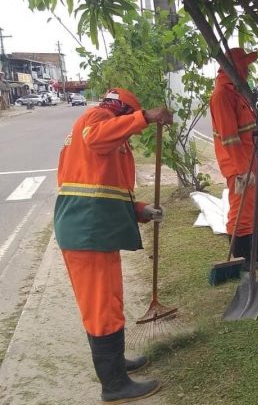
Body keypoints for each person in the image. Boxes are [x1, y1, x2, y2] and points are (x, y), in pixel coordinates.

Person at [54, 88, 173, 403]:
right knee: (101, 306)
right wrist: (145, 117)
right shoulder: (97, 118)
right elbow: (98, 137)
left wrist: (140, 211)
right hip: (88, 230)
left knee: (109, 300)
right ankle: (115, 385)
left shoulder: (101, 136)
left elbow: (106, 187)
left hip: (96, 230)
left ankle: (115, 364)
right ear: (121, 110)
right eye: (129, 118)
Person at [209, 48, 258, 267]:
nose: (248, 68)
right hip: (239, 166)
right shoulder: (222, 95)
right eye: (245, 64)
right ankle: (243, 258)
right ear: (235, 67)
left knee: (257, 210)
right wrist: (243, 170)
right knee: (242, 212)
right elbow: (229, 138)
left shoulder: (238, 91)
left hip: (251, 162)